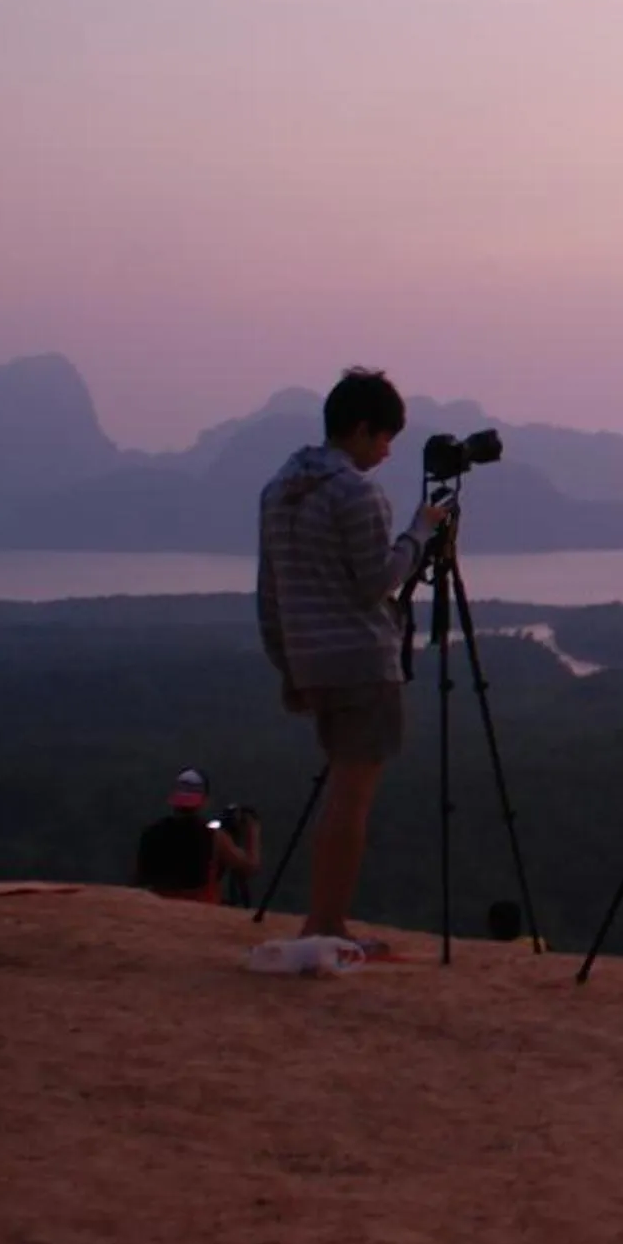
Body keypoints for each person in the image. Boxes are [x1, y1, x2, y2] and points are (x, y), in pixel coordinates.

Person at [256, 369, 448, 948]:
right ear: (362, 429)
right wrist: (419, 532)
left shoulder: (280, 488)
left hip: (312, 662)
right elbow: (376, 582)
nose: (387, 453)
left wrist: (288, 665)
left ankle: (323, 919)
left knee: (341, 790)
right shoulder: (357, 493)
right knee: (351, 798)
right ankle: (327, 925)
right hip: (361, 663)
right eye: (385, 438)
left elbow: (269, 591)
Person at [134, 767, 261, 906]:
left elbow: (138, 879)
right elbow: (249, 867)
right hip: (201, 908)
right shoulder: (215, 838)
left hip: (158, 908)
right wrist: (252, 831)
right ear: (204, 802)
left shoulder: (150, 833)